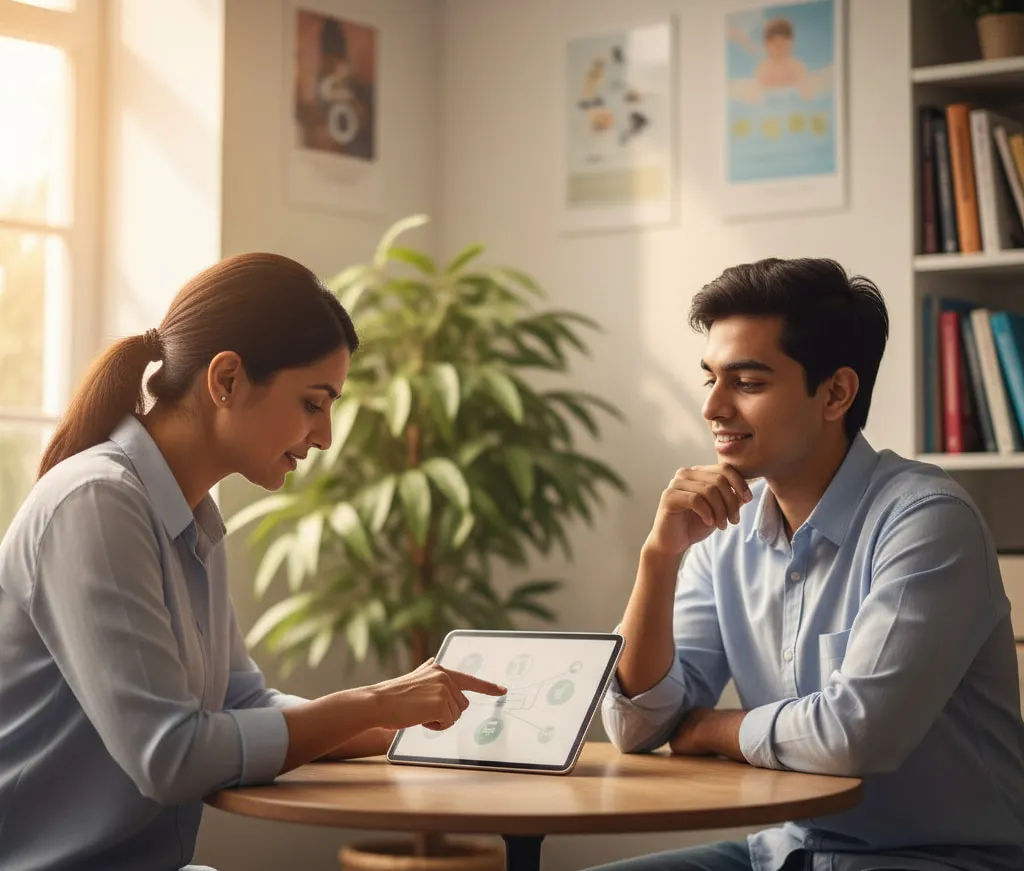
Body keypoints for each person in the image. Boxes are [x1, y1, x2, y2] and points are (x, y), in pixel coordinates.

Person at [0, 253, 506, 871]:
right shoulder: (97, 502)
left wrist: (414, 725)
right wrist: (374, 701)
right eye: (314, 403)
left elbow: (242, 704)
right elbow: (173, 756)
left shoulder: (191, 519)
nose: (325, 437)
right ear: (228, 380)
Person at [594, 258, 1024, 871]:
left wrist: (708, 729)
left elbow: (854, 734)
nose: (713, 408)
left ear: (836, 393)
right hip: (781, 853)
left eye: (746, 382)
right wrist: (659, 557)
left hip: (933, 859)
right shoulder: (723, 532)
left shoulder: (927, 521)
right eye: (710, 378)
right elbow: (635, 727)